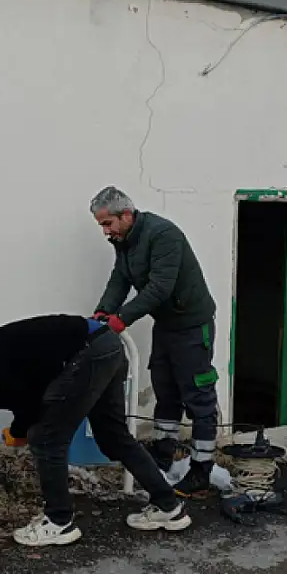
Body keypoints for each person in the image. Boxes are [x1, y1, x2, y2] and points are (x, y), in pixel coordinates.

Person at [0, 313, 192, 547]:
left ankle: (59, 522)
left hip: (88, 352)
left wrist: (21, 429)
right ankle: (168, 507)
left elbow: (31, 400)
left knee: (46, 437)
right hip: (105, 345)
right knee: (112, 437)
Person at [89, 186, 219, 498]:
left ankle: (202, 468)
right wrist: (102, 312)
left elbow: (160, 286)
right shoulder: (125, 241)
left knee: (198, 396)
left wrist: (122, 319)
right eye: (101, 226)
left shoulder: (164, 235)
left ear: (127, 215)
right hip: (167, 326)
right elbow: (120, 279)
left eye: (108, 224)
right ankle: (162, 455)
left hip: (191, 326)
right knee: (166, 391)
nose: (105, 232)